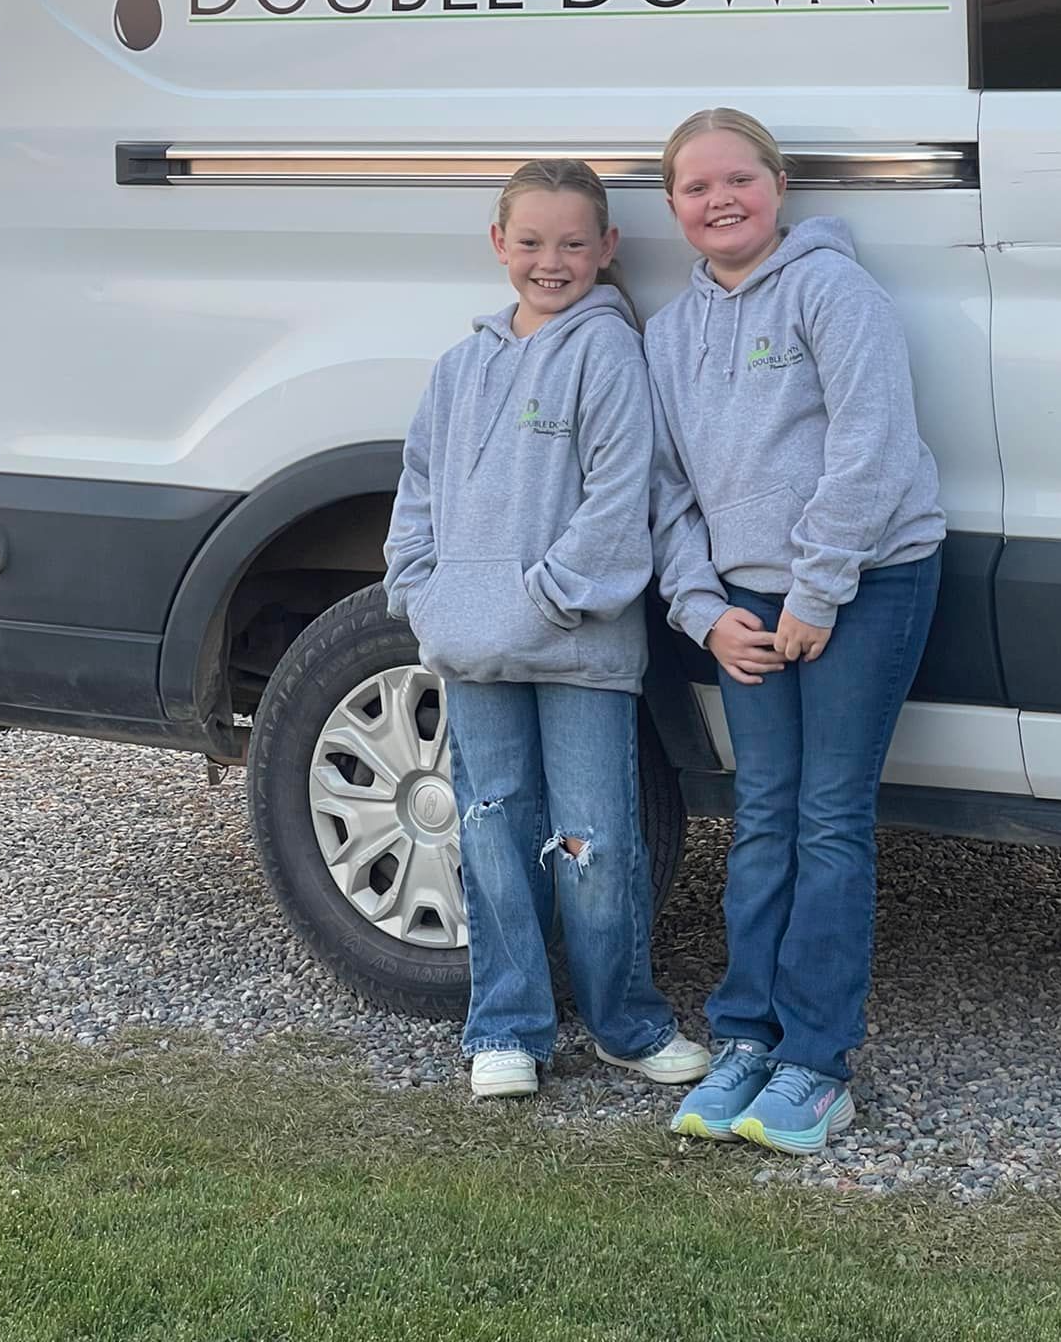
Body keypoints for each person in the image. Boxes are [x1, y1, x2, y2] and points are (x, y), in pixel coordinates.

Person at [647, 109, 944, 1154]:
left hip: (867, 579)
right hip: (745, 606)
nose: (720, 198)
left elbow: (871, 442)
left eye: (741, 177)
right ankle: (744, 1037)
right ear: (672, 203)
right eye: (696, 185)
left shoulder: (832, 289)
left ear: (778, 187)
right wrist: (703, 610)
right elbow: (668, 488)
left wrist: (817, 590)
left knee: (827, 815)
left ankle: (818, 1062)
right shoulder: (669, 333)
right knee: (763, 812)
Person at [383, 158, 708, 1100]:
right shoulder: (459, 366)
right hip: (475, 651)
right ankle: (508, 1026)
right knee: (490, 827)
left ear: (607, 248)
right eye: (530, 242)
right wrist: (422, 592)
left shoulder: (611, 354)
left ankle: (627, 1023)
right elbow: (418, 491)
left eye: (572, 243)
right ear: (499, 245)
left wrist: (542, 602)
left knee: (597, 841)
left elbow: (618, 507)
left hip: (580, 651)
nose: (550, 261)